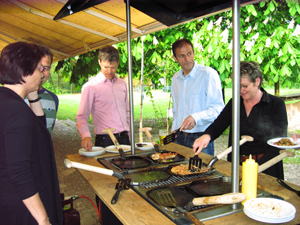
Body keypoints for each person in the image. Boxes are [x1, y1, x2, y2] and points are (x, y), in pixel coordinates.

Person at [0, 42, 63, 224]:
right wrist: (43, 219)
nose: (43, 74)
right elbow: (19, 172)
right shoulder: (17, 112)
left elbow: (40, 130)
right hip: (23, 207)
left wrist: (32, 94)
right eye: (39, 69)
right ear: (24, 70)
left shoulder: (8, 101)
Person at [193, 61, 288, 179]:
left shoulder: (276, 104)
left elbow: (279, 142)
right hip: (238, 166)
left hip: (267, 168)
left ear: (257, 81)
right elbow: (218, 125)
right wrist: (206, 136)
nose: (241, 90)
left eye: (245, 86)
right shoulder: (235, 103)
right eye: (237, 86)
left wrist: (256, 168)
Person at [76, 45, 130, 225]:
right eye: (106, 67)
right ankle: (105, 221)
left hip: (125, 140)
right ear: (99, 62)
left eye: (113, 67)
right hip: (105, 141)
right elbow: (81, 116)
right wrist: (85, 136)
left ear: (118, 64)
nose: (109, 71)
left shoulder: (123, 84)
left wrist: (130, 135)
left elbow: (128, 112)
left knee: (126, 180)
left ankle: (125, 216)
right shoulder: (90, 87)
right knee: (105, 184)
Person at [171, 38, 224, 156]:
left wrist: (195, 117)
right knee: (178, 171)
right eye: (181, 56)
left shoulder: (208, 74)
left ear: (194, 52)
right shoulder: (175, 78)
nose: (187, 59)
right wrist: (174, 130)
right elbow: (176, 109)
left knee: (202, 173)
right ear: (175, 58)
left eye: (189, 54)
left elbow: (218, 109)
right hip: (178, 136)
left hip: (201, 137)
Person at [25, 46, 59, 134]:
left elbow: (48, 132)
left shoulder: (53, 99)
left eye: (46, 68)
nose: (42, 73)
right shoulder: (14, 95)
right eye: (38, 67)